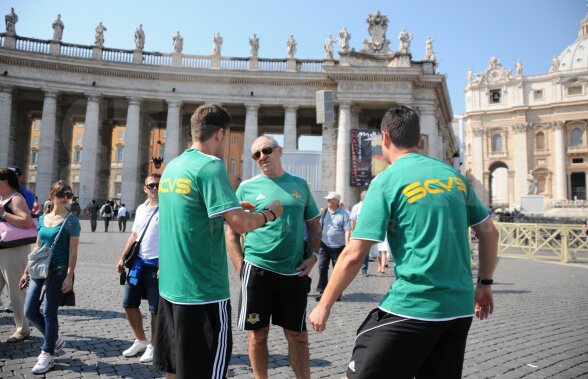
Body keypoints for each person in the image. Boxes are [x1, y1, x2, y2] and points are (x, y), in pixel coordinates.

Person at [309, 105, 499, 378]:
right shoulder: (453, 176)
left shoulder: (386, 181)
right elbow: (489, 232)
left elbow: (353, 254)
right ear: (419, 138)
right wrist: (484, 285)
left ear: (384, 138)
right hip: (458, 310)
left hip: (414, 306)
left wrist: (324, 304)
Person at [154, 104, 284, 379]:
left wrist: (233, 207)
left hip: (170, 289)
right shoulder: (211, 167)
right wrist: (269, 213)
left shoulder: (173, 168)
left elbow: (192, 213)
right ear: (221, 134)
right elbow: (241, 225)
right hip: (204, 292)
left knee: (174, 369)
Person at [226, 134, 321, 379]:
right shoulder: (246, 187)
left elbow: (314, 224)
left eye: (266, 150)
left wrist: (314, 256)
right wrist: (240, 267)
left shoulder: (301, 184)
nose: (261, 157)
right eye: (256, 155)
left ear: (279, 151)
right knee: (258, 335)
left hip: (293, 272)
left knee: (298, 336)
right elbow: (231, 233)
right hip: (258, 269)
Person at [20, 180, 80, 374]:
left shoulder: (71, 220)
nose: (66, 198)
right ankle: (54, 339)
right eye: (62, 194)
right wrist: (25, 271)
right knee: (29, 311)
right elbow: (37, 247)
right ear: (52, 195)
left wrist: (69, 276)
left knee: (49, 312)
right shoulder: (43, 218)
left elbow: (73, 252)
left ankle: (47, 353)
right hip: (39, 268)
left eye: (69, 195)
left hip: (59, 270)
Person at [116, 175, 160, 363]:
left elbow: (173, 237)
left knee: (155, 309)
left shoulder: (168, 208)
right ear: (145, 188)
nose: (155, 188)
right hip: (137, 264)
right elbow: (134, 234)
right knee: (128, 303)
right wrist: (122, 257)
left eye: (158, 185)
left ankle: (154, 345)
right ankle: (140, 340)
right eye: (151, 185)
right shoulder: (141, 209)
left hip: (156, 265)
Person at [0, 168, 32, 343]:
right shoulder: (2, 198)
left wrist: (4, 213)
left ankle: (22, 328)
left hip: (14, 250)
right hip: (2, 249)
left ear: (5, 182)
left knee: (15, 293)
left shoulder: (16, 198)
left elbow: (26, 221)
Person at [316, 192, 350, 302]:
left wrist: (347, 246)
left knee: (337, 271)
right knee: (322, 267)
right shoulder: (325, 212)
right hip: (324, 245)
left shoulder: (344, 213)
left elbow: (347, 230)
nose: (328, 201)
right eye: (328, 199)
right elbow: (320, 226)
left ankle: (336, 293)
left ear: (336, 201)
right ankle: (322, 291)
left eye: (330, 199)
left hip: (339, 247)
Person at [349, 190, 368, 276]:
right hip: (358, 231)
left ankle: (364, 269)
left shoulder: (370, 206)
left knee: (365, 251)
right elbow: (353, 219)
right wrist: (353, 231)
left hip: (367, 232)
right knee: (356, 251)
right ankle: (354, 268)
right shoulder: (356, 207)